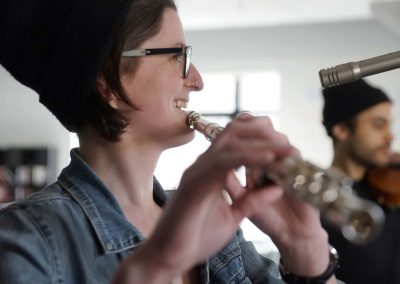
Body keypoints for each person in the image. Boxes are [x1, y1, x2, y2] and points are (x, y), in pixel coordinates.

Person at [0, 0, 339, 283]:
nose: (197, 81)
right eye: (178, 55)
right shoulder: (26, 240)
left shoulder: (210, 222)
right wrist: (157, 265)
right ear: (108, 80)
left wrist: (306, 249)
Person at [321, 79, 399, 284]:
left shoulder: (393, 185)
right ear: (342, 130)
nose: (390, 137)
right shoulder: (319, 200)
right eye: (378, 125)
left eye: (389, 125)